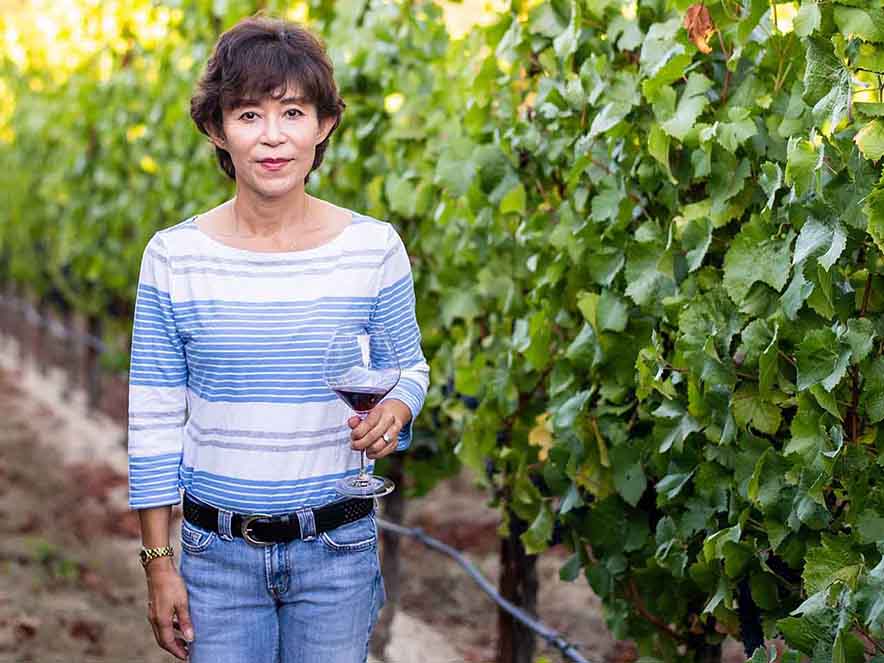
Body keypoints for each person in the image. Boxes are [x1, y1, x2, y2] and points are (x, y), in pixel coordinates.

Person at [127, 14, 430, 663]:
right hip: (216, 561)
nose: (273, 137)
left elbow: (408, 368)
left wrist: (398, 406)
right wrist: (159, 562)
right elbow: (152, 422)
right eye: (248, 114)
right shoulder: (174, 257)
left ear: (324, 125)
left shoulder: (373, 248)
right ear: (216, 127)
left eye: (293, 112)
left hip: (338, 554)